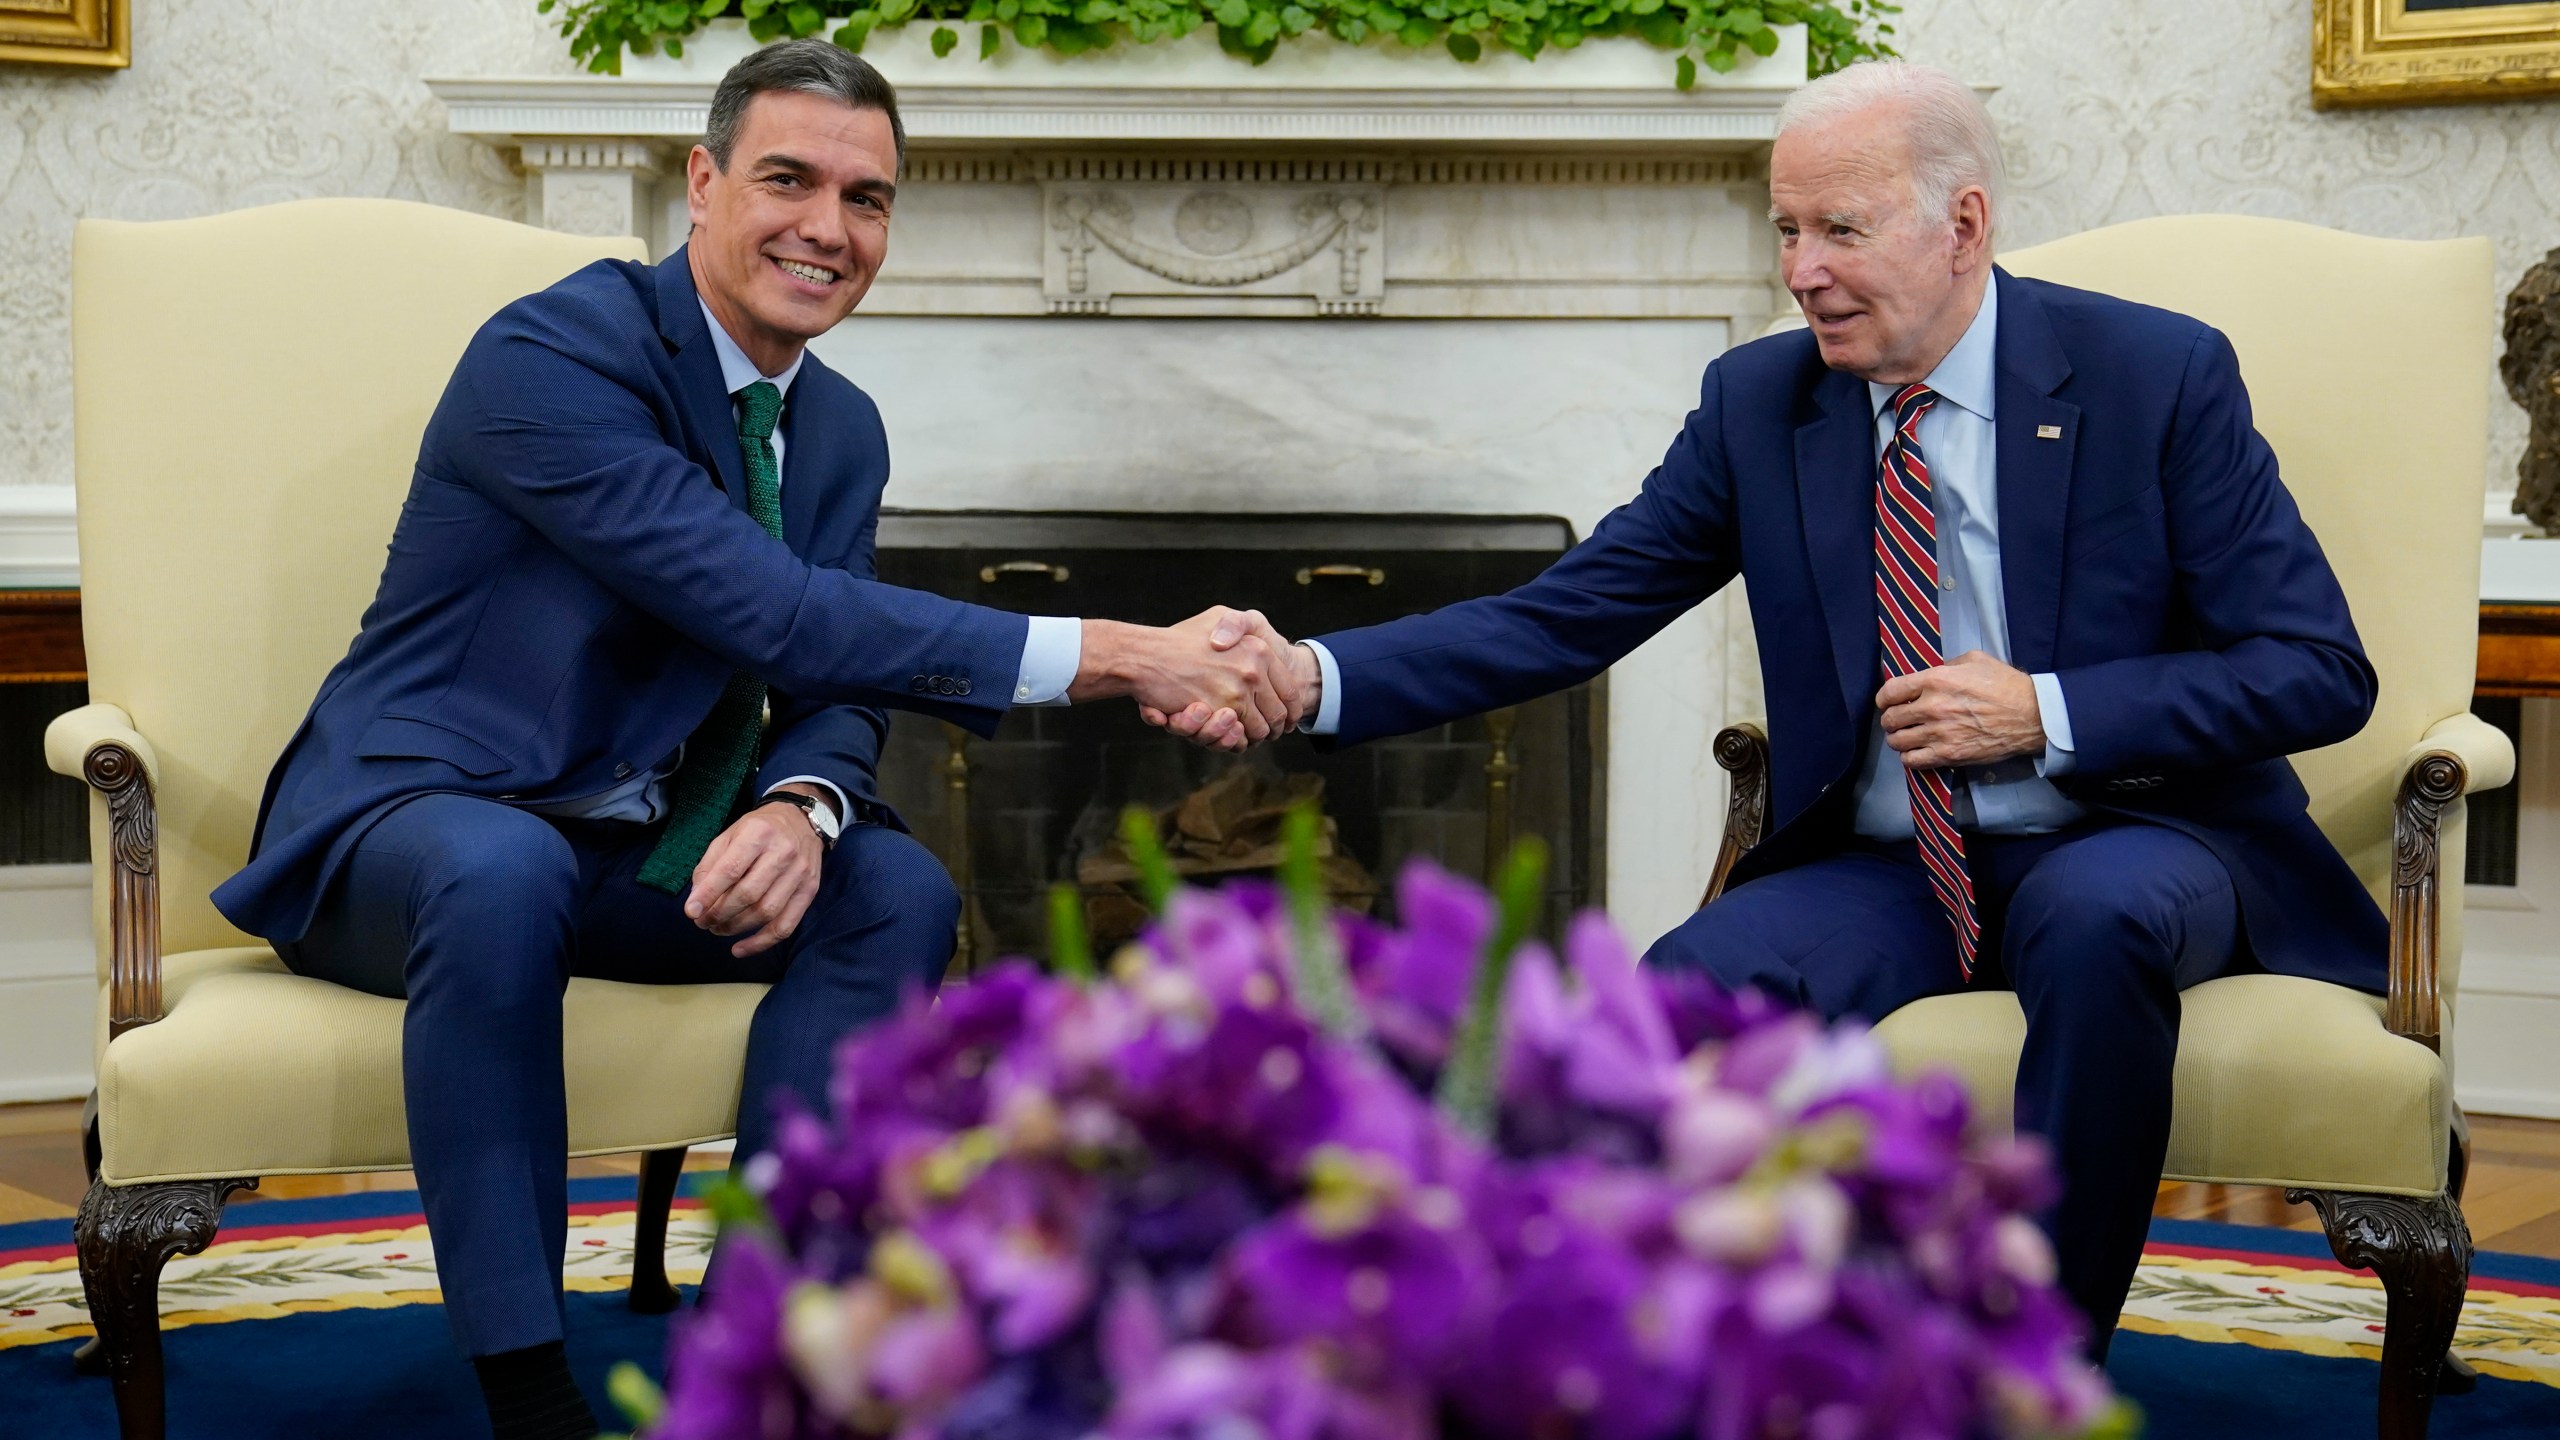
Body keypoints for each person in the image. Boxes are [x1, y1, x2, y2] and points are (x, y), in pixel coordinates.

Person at [1163, 60, 2385, 1358]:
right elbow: (1569, 611)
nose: (1801, 271)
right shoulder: (1762, 402)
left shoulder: (2156, 377)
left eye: (1840, 230)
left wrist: (2047, 710)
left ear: (1963, 224)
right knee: (1685, 990)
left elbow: (2315, 665)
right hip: (1893, 864)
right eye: (1786, 231)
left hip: (2131, 833)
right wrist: (1312, 677)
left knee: (2093, 926)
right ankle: (1672, 1362)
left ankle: (2041, 1367)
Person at [213, 40, 1296, 1440]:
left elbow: (834, 676)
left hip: (638, 854)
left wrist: (800, 805)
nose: (828, 229)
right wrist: (1129, 653)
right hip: (411, 832)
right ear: (705, 183)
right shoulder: (551, 354)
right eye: (789, 179)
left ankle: (765, 1335)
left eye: (869, 199)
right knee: (499, 869)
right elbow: (772, 608)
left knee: (897, 884)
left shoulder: (838, 429)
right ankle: (528, 1385)